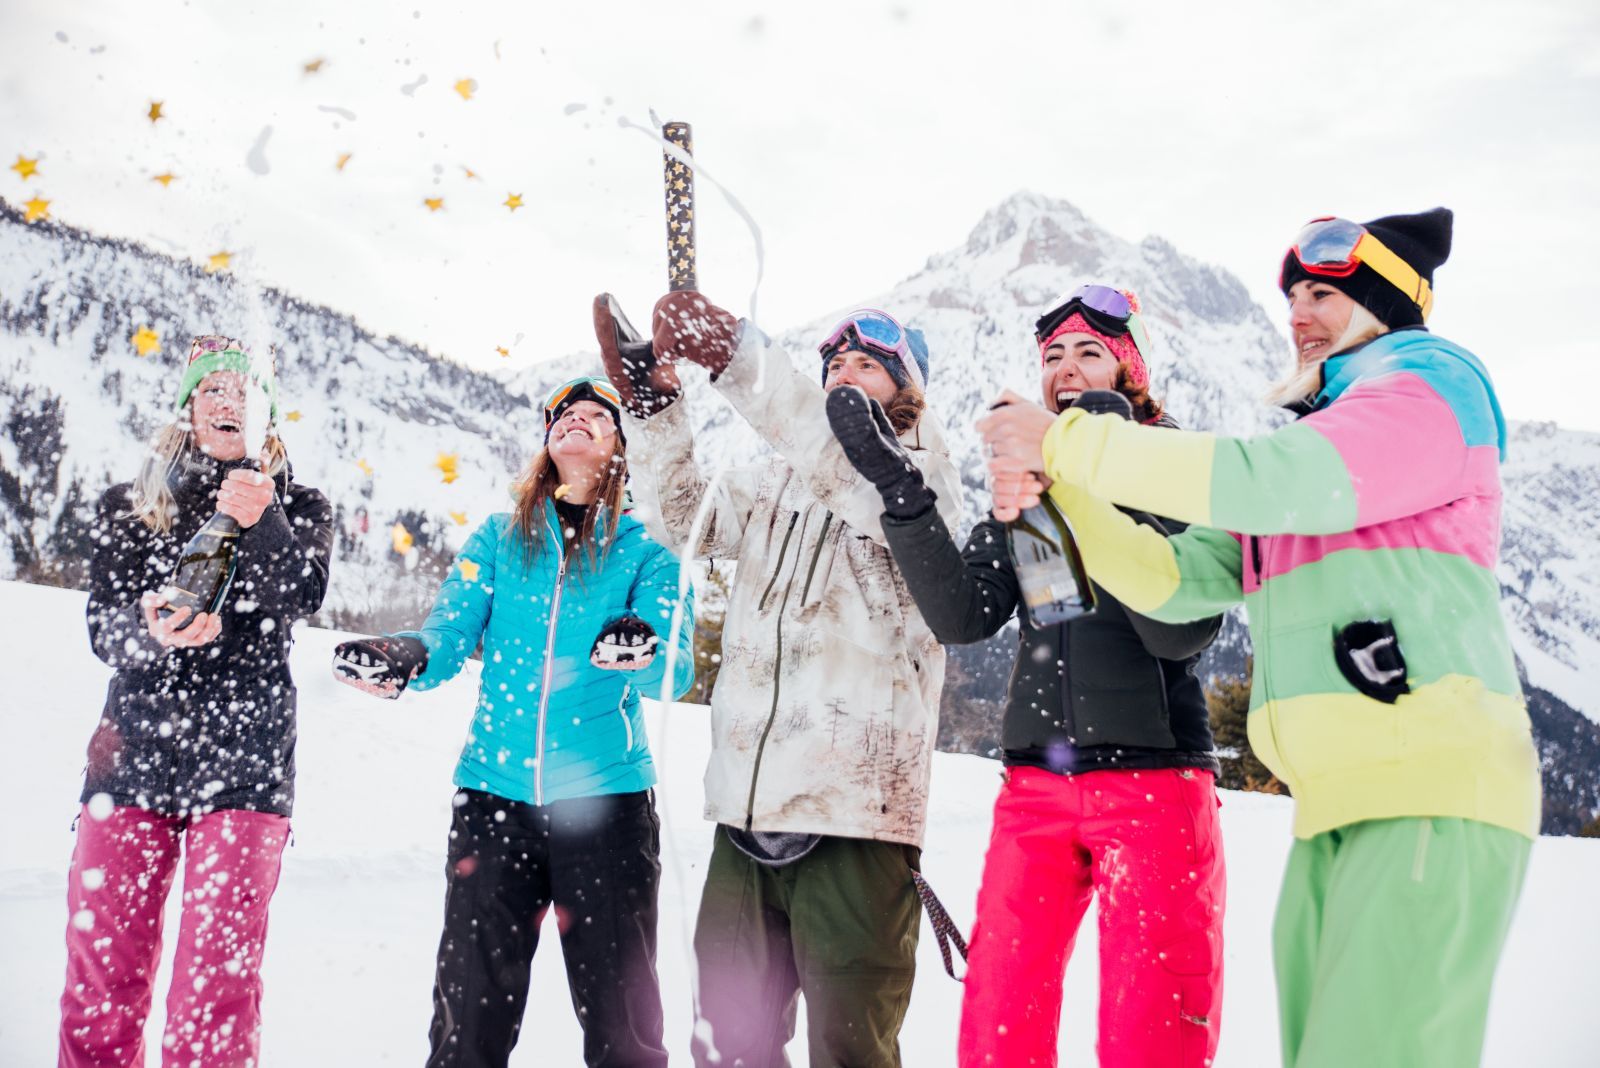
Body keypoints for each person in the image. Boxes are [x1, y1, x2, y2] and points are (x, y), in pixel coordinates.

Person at [978, 209, 1540, 1068]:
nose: (1299, 314)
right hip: (1336, 803)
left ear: (1386, 299)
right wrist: (1068, 495)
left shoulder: (1431, 387)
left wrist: (1074, 442)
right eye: (1293, 298)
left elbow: (1272, 481)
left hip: (1431, 784)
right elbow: (1176, 577)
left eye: (1324, 293)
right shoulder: (1313, 440)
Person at [829, 283, 1227, 1066]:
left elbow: (1178, 632)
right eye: (1052, 356)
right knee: (999, 1029)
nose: (1067, 368)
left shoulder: (1178, 467)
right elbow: (965, 616)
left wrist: (1094, 478)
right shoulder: (1026, 483)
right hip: (1036, 788)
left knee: (1152, 1034)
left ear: (1130, 369)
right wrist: (895, 487)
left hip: (1154, 784)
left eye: (1090, 352)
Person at [593, 293, 963, 1067]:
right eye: (834, 365)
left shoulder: (921, 484)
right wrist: (656, 407)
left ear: (908, 391)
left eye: (868, 366)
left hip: (856, 825)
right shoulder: (778, 482)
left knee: (849, 1052)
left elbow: (842, 461)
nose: (844, 377)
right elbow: (681, 515)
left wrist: (736, 358)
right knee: (728, 1046)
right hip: (746, 819)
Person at [332, 375, 694, 1068]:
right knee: (468, 1019)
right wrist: (407, 655)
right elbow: (449, 632)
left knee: (624, 1030)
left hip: (608, 807)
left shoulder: (647, 552)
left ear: (619, 448)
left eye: (597, 416)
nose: (578, 422)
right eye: (566, 415)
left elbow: (673, 668)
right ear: (547, 440)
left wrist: (638, 648)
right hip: (493, 801)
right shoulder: (501, 539)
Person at [60, 335, 334, 1067]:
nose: (227, 400)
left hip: (245, 769)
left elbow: (300, 596)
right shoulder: (131, 504)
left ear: (267, 415)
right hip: (130, 763)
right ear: (187, 409)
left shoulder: (300, 504)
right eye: (211, 388)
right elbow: (104, 628)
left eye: (244, 391)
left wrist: (262, 518)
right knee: (101, 980)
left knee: (216, 988)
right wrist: (154, 635)